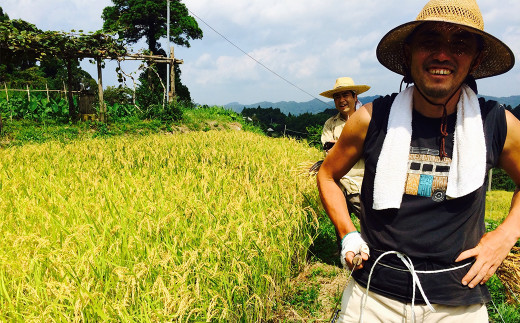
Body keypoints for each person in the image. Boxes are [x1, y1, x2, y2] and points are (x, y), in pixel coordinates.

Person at [317, 0, 520, 322]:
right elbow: (327, 175)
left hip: (459, 301)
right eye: (429, 42)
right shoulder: (371, 119)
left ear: (476, 58)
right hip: (373, 295)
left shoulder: (497, 124)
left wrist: (506, 234)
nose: (442, 54)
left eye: (460, 44)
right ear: (410, 52)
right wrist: (347, 233)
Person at [320, 77, 370, 221]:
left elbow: (373, 149)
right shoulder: (330, 124)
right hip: (337, 186)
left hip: (360, 184)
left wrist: (339, 147)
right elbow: (329, 151)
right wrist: (357, 147)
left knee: (371, 225)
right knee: (341, 229)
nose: (341, 100)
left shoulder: (367, 120)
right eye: (337, 97)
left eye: (345, 95)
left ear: (355, 96)